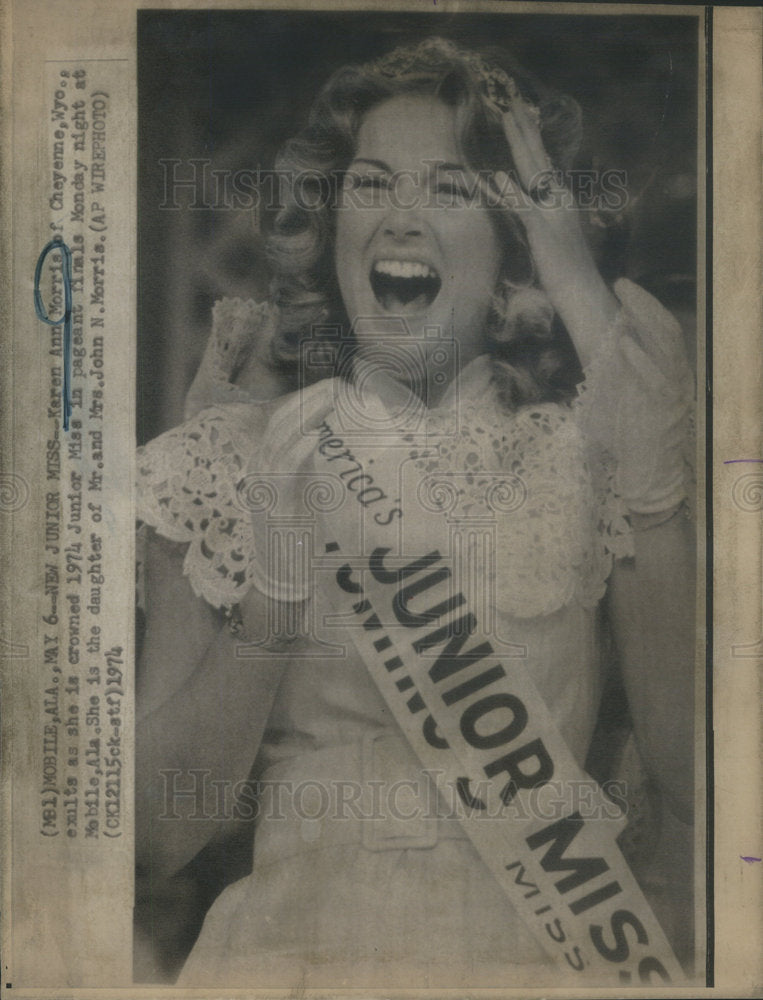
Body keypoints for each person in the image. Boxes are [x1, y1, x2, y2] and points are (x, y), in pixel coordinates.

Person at [135, 36, 696, 988]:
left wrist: (577, 285)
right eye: (369, 186)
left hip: (537, 959)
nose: (399, 220)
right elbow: (144, 837)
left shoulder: (601, 462)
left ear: (515, 249)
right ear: (330, 222)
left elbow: (703, 776)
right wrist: (266, 618)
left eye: (448, 190)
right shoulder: (226, 456)